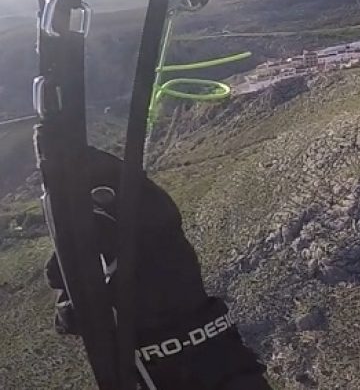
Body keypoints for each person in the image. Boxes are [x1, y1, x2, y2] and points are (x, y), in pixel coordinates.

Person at [45, 147, 271, 390]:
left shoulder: (93, 219)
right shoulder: (151, 203)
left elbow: (70, 317)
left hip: (181, 369)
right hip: (224, 362)